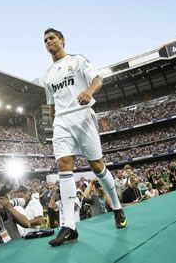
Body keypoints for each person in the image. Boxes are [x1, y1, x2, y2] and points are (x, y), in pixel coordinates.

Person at [43, 28, 126, 246]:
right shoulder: (48, 75)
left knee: (97, 166)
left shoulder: (78, 60)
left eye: (51, 38)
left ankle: (117, 207)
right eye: (45, 40)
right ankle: (70, 226)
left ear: (62, 40)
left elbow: (97, 80)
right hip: (61, 121)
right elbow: (51, 105)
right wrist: (55, 124)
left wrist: (88, 92)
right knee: (63, 165)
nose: (48, 42)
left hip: (83, 116)